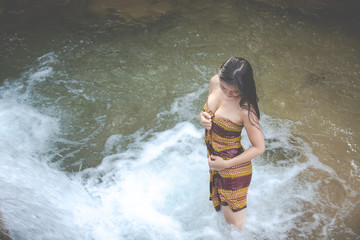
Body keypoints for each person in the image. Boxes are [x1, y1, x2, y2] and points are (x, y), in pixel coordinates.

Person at [199, 56, 265, 229]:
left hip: (233, 169)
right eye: (224, 88)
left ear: (244, 87)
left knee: (236, 227)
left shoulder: (246, 110)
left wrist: (226, 164)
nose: (228, 94)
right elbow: (208, 110)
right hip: (217, 163)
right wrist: (203, 117)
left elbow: (259, 147)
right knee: (223, 215)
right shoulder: (215, 81)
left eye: (234, 91)